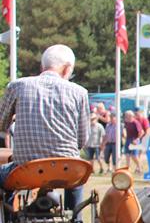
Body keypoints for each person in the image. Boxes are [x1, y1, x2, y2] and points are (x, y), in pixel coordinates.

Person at [0, 44, 90, 209]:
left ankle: (6, 221)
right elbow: (82, 140)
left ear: (42, 66)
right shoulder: (80, 92)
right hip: (67, 168)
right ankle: (76, 222)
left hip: (26, 168)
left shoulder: (17, 86)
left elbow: (1, 124)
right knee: (76, 180)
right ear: (67, 69)